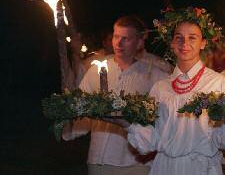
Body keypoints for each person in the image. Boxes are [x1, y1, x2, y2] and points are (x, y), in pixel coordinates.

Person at [126, 7, 225, 175]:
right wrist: (126, 122)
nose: (185, 44)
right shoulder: (160, 87)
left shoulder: (218, 83)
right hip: (165, 168)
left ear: (203, 43)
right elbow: (149, 140)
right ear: (172, 43)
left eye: (192, 38)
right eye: (178, 38)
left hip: (201, 168)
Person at [62, 15, 170, 175]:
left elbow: (165, 116)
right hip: (99, 158)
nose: (119, 43)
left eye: (126, 38)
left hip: (136, 161)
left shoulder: (153, 75)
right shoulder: (97, 69)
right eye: (116, 36)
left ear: (139, 42)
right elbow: (80, 106)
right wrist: (68, 114)